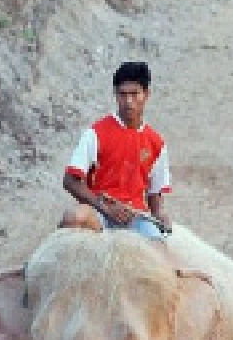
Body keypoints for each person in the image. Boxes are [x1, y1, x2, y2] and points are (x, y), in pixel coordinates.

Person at [59, 61, 171, 239]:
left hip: (135, 217)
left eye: (135, 94)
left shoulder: (156, 142)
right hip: (99, 213)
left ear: (147, 94)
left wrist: (160, 216)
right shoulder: (96, 133)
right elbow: (70, 180)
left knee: (159, 251)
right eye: (122, 94)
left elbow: (154, 194)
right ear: (115, 95)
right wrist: (104, 207)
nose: (128, 102)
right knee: (74, 217)